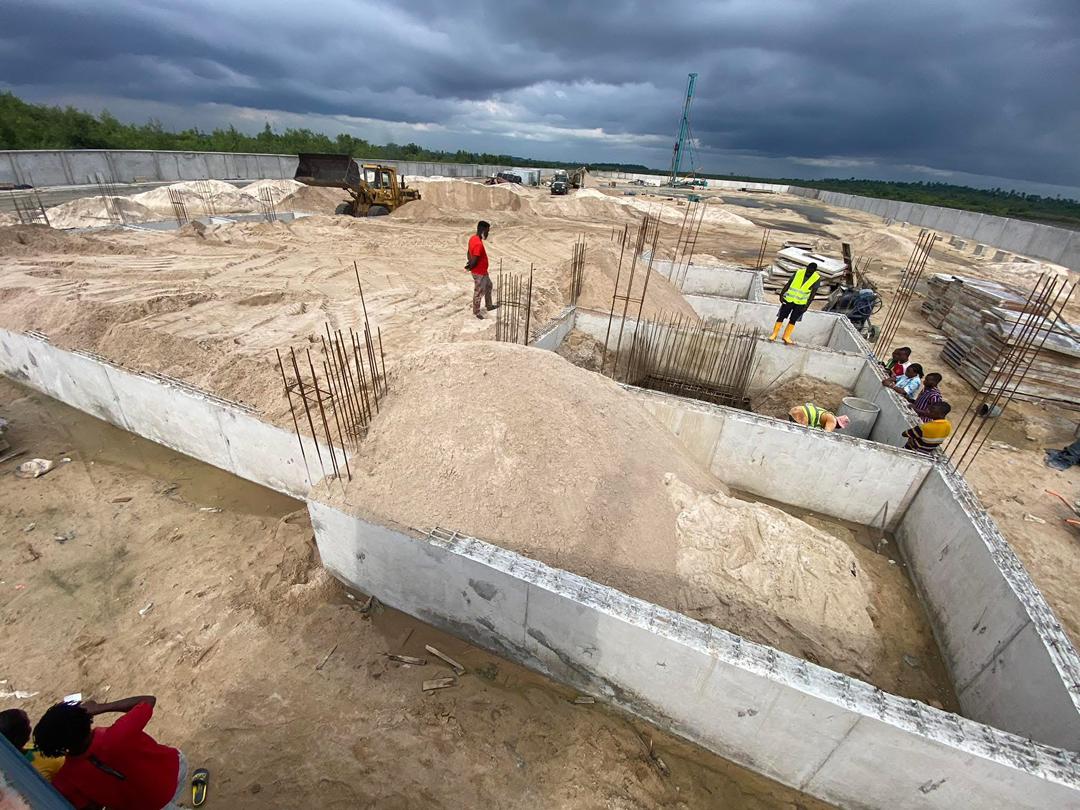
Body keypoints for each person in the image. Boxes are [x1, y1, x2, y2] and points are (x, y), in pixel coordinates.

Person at [33, 696, 186, 810]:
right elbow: (148, 701)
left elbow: (91, 807)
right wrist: (101, 707)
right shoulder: (117, 735)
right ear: (87, 719)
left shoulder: (66, 779)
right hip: (173, 772)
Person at [0, 708, 65, 781]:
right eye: (28, 725)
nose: (30, 728)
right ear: (23, 735)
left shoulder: (6, 764)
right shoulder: (51, 761)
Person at [770, 261, 822, 345]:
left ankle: (786, 337)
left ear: (814, 271)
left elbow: (813, 294)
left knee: (793, 319)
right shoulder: (799, 272)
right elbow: (789, 283)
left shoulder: (816, 278)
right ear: (807, 267)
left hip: (801, 303)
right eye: (808, 269)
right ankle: (774, 334)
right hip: (789, 300)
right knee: (781, 316)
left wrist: (806, 306)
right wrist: (782, 294)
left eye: (811, 271)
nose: (809, 272)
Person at [465, 220, 498, 320]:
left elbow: (468, 252)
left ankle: (489, 305)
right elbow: (475, 259)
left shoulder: (473, 238)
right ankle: (476, 312)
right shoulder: (478, 244)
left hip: (483, 271)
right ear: (482, 230)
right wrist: (470, 265)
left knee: (489, 286)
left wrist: (469, 262)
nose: (487, 234)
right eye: (487, 231)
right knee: (479, 292)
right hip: (479, 272)